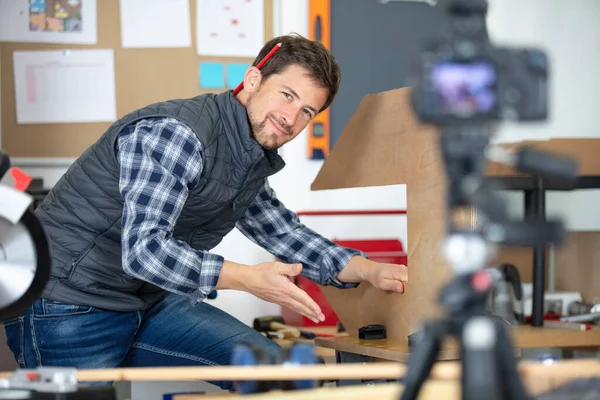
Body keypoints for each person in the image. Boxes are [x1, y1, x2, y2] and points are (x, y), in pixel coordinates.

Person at [3, 34, 407, 390]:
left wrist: (364, 268)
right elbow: (145, 252)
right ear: (252, 81)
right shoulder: (178, 134)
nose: (291, 118)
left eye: (308, 112)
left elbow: (283, 233)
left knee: (277, 374)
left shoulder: (247, 152)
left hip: (145, 300)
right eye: (287, 95)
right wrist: (249, 279)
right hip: (68, 301)